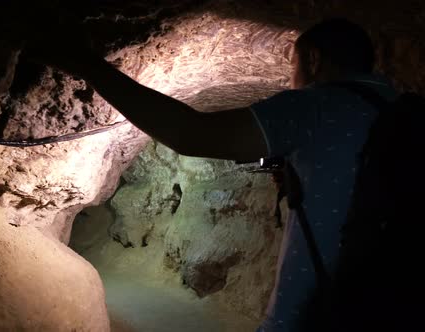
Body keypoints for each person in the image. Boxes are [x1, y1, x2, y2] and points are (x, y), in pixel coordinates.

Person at [35, 18, 395, 331]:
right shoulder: (401, 109)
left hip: (314, 312)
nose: (290, 78)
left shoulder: (315, 106)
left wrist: (89, 66)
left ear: (314, 59)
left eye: (294, 64)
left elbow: (191, 133)